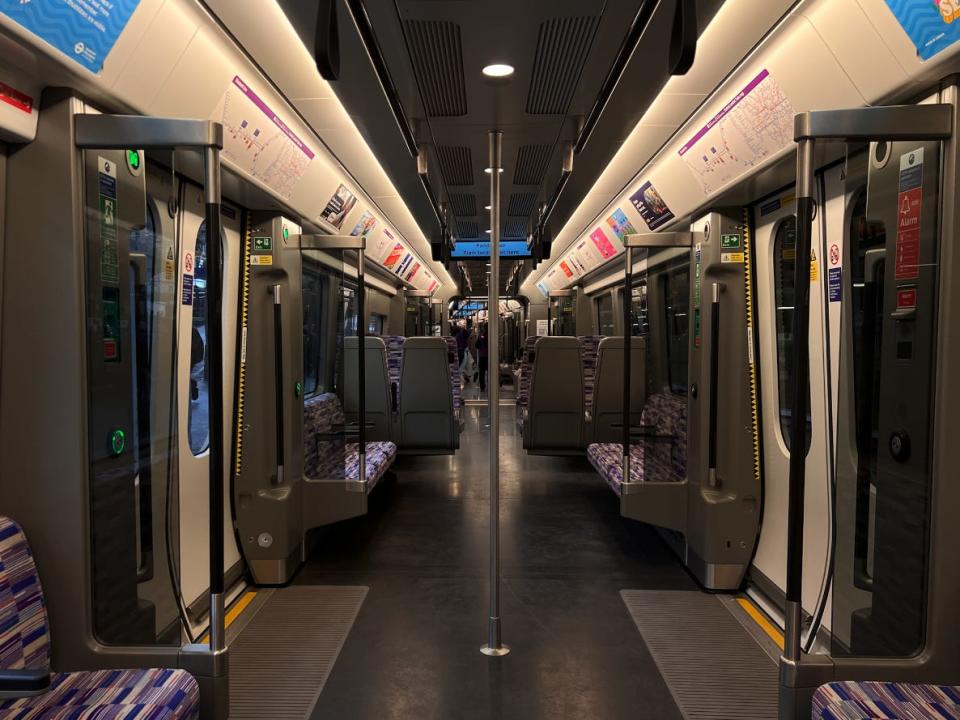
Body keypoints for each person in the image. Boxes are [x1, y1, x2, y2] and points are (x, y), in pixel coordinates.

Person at [477, 325, 489, 392]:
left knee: (482, 372)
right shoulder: (492, 335)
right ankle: (491, 385)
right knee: (490, 372)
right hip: (489, 357)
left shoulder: (480, 336)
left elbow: (476, 345)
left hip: (482, 356)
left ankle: (482, 387)